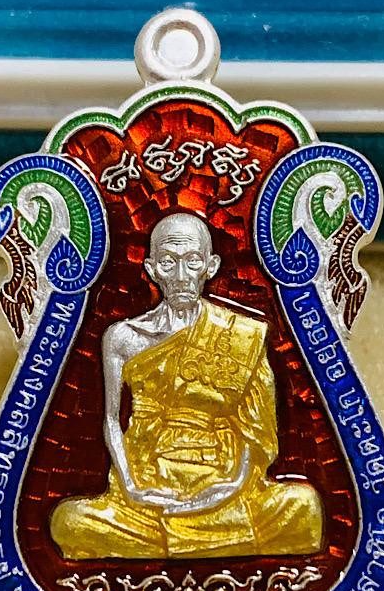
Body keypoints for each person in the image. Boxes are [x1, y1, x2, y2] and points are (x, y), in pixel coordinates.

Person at [50, 213, 323, 558]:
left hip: (224, 486)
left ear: (211, 266)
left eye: (192, 261)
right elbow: (111, 420)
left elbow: (256, 432)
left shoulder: (242, 335)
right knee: (69, 522)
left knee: (303, 506)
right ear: (151, 269)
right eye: (168, 262)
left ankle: (184, 543)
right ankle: (207, 545)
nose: (181, 276)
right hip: (148, 490)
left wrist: (231, 486)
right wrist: (132, 488)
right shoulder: (123, 338)